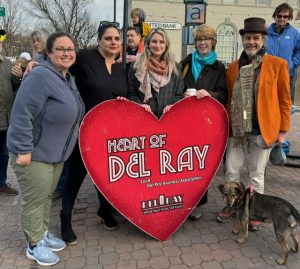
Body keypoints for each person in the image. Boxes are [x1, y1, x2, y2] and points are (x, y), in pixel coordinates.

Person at [7, 32, 85, 266]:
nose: (66, 53)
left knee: (45, 197)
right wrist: (23, 149)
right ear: (48, 53)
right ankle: (33, 245)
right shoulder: (41, 75)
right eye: (60, 49)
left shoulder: (66, 77)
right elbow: (22, 114)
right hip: (34, 153)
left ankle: (41, 233)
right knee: (34, 200)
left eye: (70, 49)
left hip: (55, 154)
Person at [217, 18, 291, 230]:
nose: (251, 42)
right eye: (248, 38)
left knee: (256, 174)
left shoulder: (278, 65)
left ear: (263, 40)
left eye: (256, 38)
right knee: (231, 170)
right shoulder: (232, 67)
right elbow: (230, 98)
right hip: (238, 131)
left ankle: (254, 212)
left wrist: (283, 131)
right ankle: (232, 207)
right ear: (243, 40)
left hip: (263, 130)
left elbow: (285, 100)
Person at [60, 21, 128, 246]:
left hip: (112, 133)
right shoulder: (86, 58)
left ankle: (104, 211)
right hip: (86, 129)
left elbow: (125, 95)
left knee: (106, 175)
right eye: (108, 38)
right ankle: (65, 219)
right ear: (99, 40)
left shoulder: (120, 67)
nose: (113, 42)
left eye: (117, 39)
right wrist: (35, 63)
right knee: (76, 175)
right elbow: (62, 64)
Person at [180, 24, 227, 221]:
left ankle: (198, 203)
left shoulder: (219, 67)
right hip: (185, 120)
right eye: (199, 39)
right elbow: (175, 83)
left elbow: (224, 95)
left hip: (207, 123)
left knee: (201, 163)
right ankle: (184, 200)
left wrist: (211, 94)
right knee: (185, 162)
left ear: (213, 42)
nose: (202, 43)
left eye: (206, 39)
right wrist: (180, 95)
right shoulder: (186, 63)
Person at [128, 27, 184, 118]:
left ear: (166, 45)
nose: (158, 45)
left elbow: (179, 94)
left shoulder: (175, 67)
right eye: (154, 41)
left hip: (168, 118)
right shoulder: (136, 66)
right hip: (143, 118)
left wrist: (173, 106)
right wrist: (140, 105)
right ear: (148, 44)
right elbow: (131, 94)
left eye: (162, 42)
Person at [0, 29, 22, 196]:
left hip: (5, 119)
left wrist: (18, 78)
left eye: (1, 40)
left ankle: (1, 183)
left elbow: (14, 88)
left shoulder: (7, 64)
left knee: (3, 154)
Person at [265, 3, 300, 104]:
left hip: (287, 74)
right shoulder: (266, 32)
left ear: (289, 18)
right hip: (268, 74)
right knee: (268, 102)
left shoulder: (294, 33)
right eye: (279, 16)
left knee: (284, 102)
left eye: (285, 16)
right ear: (275, 16)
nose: (282, 18)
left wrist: (293, 63)